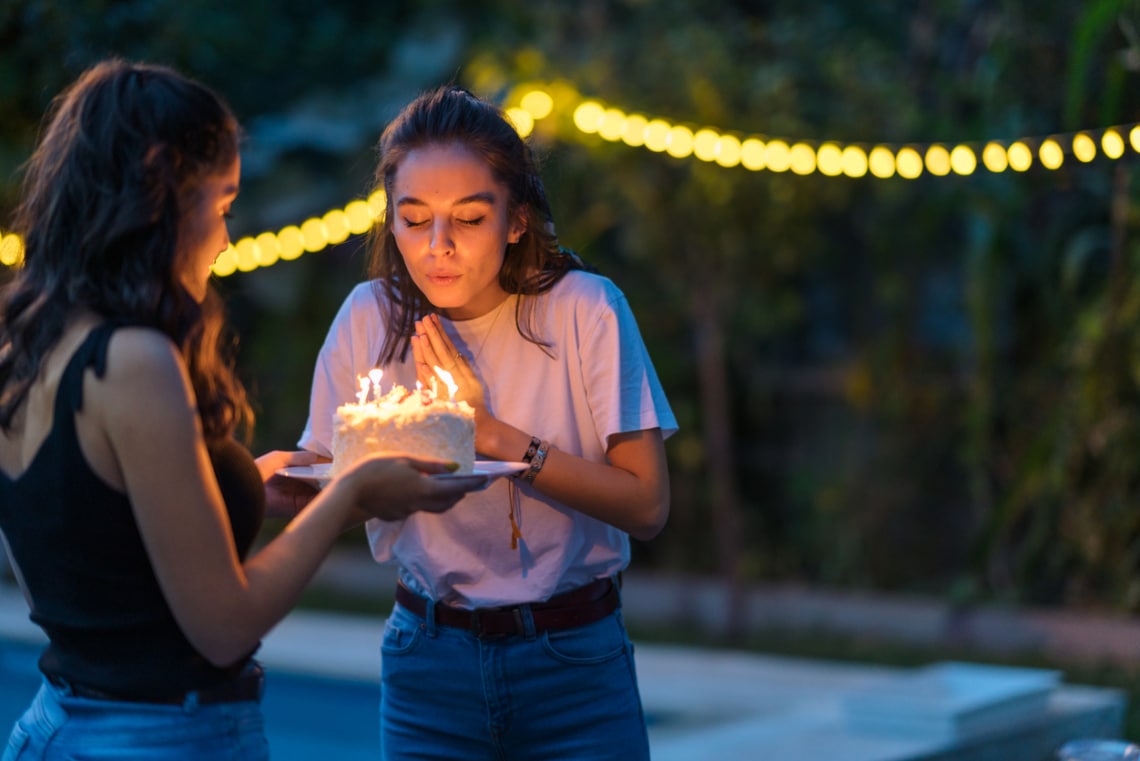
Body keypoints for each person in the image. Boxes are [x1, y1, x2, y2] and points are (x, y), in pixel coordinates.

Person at [0, 60, 484, 761]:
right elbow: (224, 626)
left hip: (59, 721)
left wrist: (239, 487)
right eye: (222, 204)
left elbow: (78, 534)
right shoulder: (132, 359)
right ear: (162, 183)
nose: (226, 239)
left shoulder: (28, 332)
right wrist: (349, 491)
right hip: (157, 734)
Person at [299, 85, 677, 760]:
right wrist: (251, 477)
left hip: (574, 662)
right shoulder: (370, 317)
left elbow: (646, 505)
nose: (437, 246)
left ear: (516, 219)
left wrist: (491, 434)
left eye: (469, 219)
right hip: (428, 658)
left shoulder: (584, 311)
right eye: (413, 220)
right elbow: (319, 468)